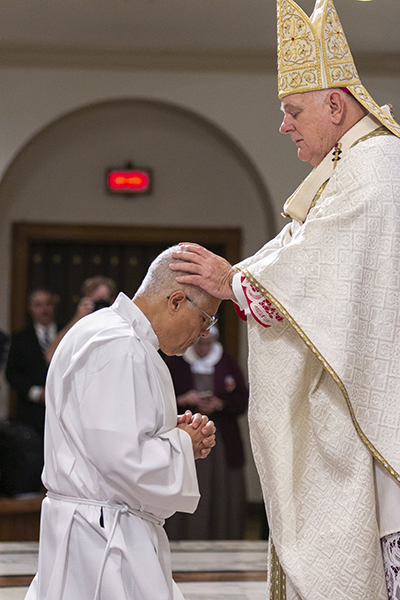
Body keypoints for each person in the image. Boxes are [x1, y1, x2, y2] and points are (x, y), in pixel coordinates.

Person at [169, 1, 400, 598]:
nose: (284, 124)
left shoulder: (375, 172)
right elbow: (299, 257)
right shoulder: (350, 167)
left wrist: (231, 281)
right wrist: (236, 278)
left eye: (293, 110)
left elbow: (314, 275)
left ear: (335, 103)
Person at [25, 245, 219, 600]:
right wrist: (183, 444)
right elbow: (125, 460)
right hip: (105, 540)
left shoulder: (104, 331)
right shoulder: (121, 345)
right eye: (205, 318)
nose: (204, 332)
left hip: (96, 528)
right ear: (176, 300)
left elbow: (104, 438)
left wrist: (170, 432)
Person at [163, 327, 248, 540]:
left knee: (221, 493)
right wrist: (182, 400)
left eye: (208, 344)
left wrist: (220, 404)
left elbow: (243, 399)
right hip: (186, 438)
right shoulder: (175, 361)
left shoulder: (227, 360)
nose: (203, 348)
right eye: (200, 343)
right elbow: (158, 400)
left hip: (222, 440)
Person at [6, 289, 58, 438]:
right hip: (30, 413)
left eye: (48, 304)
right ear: (30, 308)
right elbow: (12, 373)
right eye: (38, 305)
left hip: (60, 410)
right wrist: (35, 393)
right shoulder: (20, 338)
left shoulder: (66, 332)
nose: (44, 309)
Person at [46, 275, 117, 363]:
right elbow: (51, 356)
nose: (98, 306)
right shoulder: (79, 327)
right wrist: (78, 318)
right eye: (93, 302)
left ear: (112, 302)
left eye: (102, 301)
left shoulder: (119, 325)